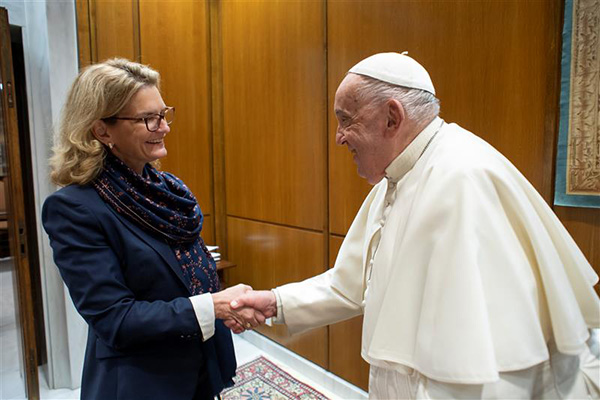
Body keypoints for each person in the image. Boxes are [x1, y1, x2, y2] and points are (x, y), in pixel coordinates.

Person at [229, 52, 600, 399]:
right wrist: (276, 302)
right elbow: (351, 284)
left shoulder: (461, 180)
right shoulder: (399, 174)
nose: (339, 137)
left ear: (392, 117)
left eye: (346, 120)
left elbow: (474, 361)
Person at [42, 59, 263, 400]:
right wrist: (213, 307)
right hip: (143, 382)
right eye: (148, 119)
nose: (164, 127)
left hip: (200, 364)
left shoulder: (166, 189)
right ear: (102, 131)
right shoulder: (74, 209)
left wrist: (223, 308)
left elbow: (187, 272)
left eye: (164, 113)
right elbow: (115, 319)